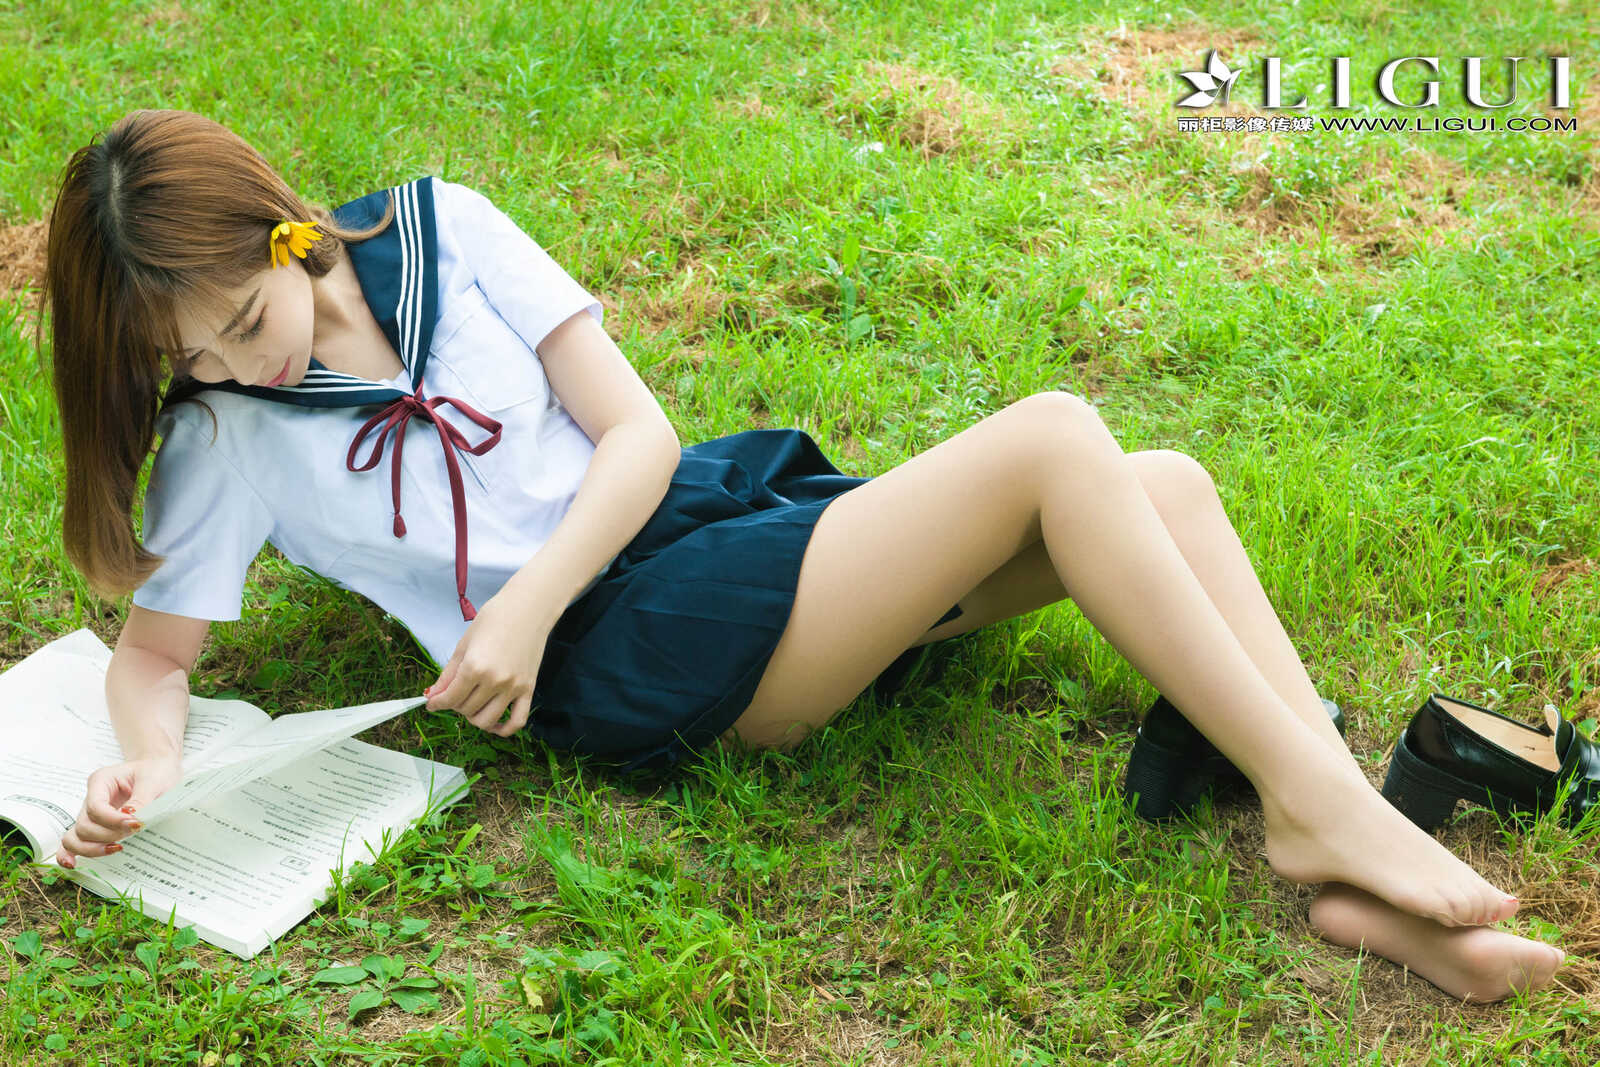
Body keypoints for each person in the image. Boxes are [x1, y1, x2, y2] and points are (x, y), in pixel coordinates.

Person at [36, 109, 1563, 1003]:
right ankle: (1318, 809)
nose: (238, 367)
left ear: (285, 229)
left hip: (680, 530)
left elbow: (636, 436)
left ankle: (1352, 865)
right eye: (194, 358)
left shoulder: (444, 229)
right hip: (625, 661)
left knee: (1160, 484)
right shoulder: (226, 440)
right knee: (1054, 439)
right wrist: (147, 767)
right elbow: (155, 659)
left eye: (244, 321)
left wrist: (531, 595)